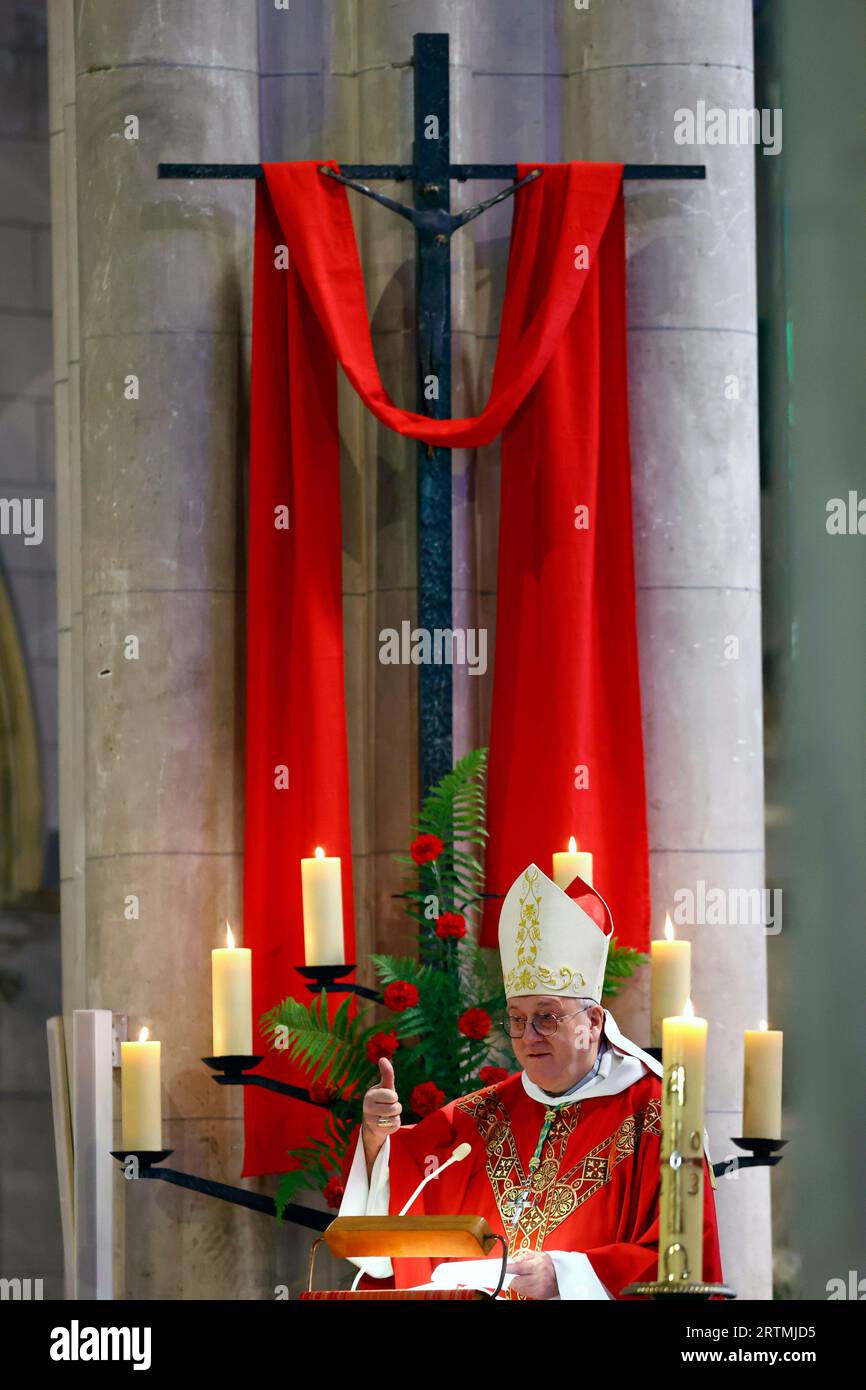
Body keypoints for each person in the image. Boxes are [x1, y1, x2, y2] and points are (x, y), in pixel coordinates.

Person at [338, 863, 723, 1299]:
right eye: (517, 1020)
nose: (528, 1037)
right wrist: (376, 1136)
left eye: (547, 1017)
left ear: (593, 1020)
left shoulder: (660, 1115)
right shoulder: (476, 1118)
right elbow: (390, 1217)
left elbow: (686, 1265)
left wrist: (566, 1275)